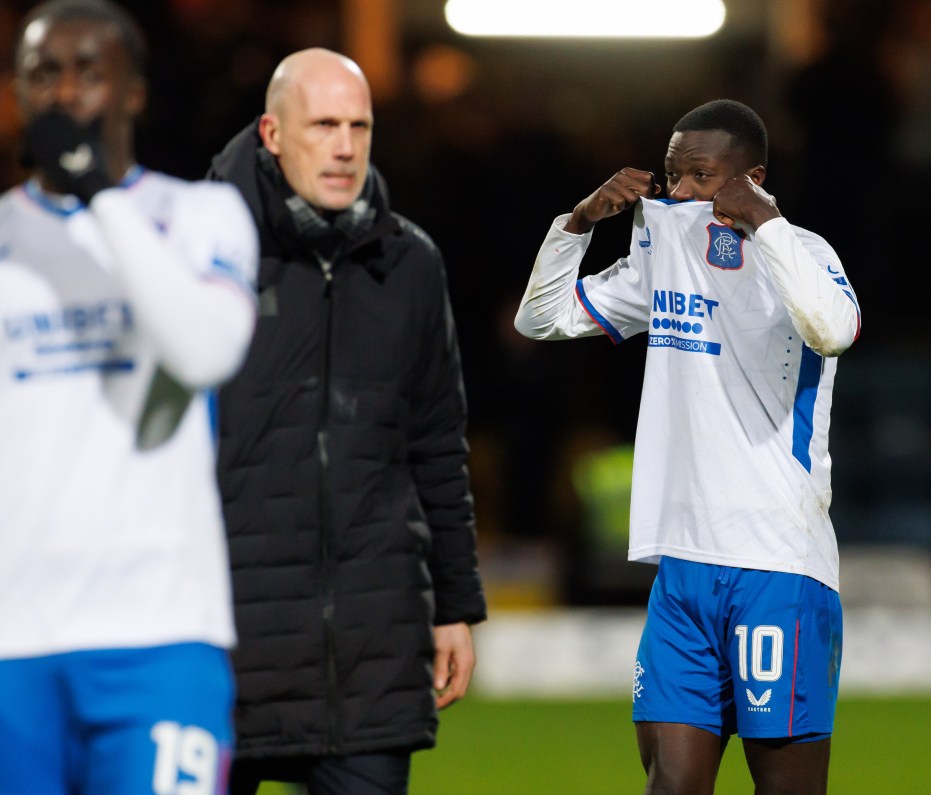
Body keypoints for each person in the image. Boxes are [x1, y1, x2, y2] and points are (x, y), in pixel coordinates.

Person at [514, 99, 861, 793]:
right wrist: (576, 225)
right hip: (682, 569)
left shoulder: (802, 252)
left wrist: (761, 220)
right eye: (672, 175)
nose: (678, 193)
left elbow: (833, 329)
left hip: (775, 565)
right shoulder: (662, 263)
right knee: (670, 785)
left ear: (751, 177)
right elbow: (541, 317)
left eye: (699, 176)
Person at [207, 48, 487, 795]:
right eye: (323, 124)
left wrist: (454, 605)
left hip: (367, 654)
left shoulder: (410, 264)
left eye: (358, 126)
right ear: (271, 132)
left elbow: (434, 443)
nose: (343, 146)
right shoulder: (203, 257)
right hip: (225, 649)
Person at [0, 1, 259, 794]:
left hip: (160, 632)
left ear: (133, 94)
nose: (65, 92)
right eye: (44, 73)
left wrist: (99, 198)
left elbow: (206, 348)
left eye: (89, 72)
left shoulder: (198, 216)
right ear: (18, 92)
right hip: (15, 637)